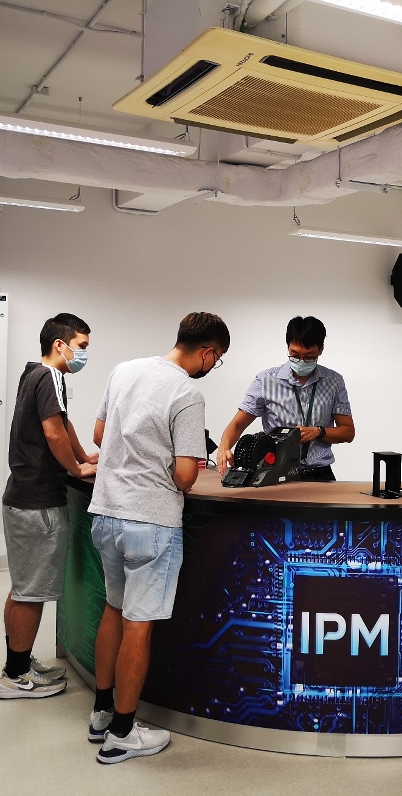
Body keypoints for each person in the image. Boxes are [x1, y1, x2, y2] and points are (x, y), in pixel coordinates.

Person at [88, 312, 230, 764]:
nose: (213, 366)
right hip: (150, 521)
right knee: (139, 624)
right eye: (217, 359)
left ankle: (101, 713)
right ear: (207, 351)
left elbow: (99, 433)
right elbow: (186, 475)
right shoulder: (187, 393)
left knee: (113, 609)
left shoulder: (124, 370)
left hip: (106, 512)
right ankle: (122, 734)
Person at [0, 314, 98, 699]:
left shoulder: (32, 374)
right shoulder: (51, 376)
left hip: (21, 497)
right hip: (38, 502)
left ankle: (17, 661)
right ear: (60, 344)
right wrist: (76, 468)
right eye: (81, 346)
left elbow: (63, 424)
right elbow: (54, 432)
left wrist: (83, 456)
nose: (83, 354)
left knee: (22, 587)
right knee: (31, 593)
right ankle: (15, 677)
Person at [216, 316, 354, 481]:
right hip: (276, 474)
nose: (301, 361)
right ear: (288, 347)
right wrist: (224, 448)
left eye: (309, 356)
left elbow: (348, 432)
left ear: (321, 350)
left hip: (320, 475)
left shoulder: (334, 381)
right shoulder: (265, 380)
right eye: (294, 355)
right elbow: (237, 424)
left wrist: (318, 431)